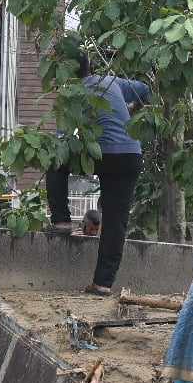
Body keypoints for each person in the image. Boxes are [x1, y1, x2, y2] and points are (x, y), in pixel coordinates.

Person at [47, 55, 150, 296]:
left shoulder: (70, 94)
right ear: (89, 67)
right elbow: (144, 89)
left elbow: (62, 141)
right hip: (130, 155)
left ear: (65, 74)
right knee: (116, 222)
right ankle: (102, 284)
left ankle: (62, 220)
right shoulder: (110, 81)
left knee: (54, 160)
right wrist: (133, 110)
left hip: (102, 155)